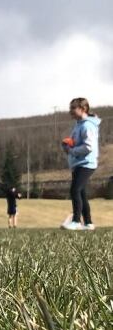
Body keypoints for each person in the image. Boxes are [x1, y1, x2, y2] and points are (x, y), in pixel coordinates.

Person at [61, 98, 100, 231]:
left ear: (83, 109)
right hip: (79, 163)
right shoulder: (79, 124)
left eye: (73, 108)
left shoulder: (87, 125)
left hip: (86, 163)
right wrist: (68, 143)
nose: (70, 111)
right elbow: (77, 142)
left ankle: (76, 221)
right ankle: (88, 223)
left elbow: (89, 146)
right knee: (81, 192)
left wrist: (72, 150)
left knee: (75, 190)